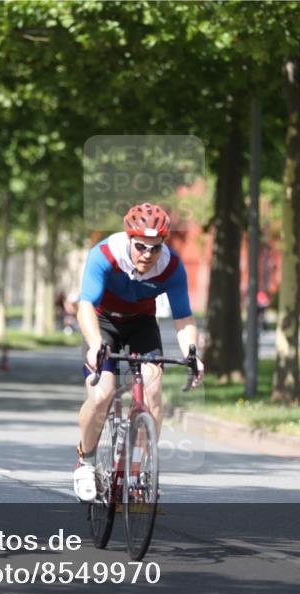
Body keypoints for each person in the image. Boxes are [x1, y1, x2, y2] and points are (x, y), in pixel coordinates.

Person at [73, 202, 204, 502]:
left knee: (153, 390)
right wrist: (95, 344)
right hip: (102, 323)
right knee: (101, 395)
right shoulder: (105, 254)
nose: (147, 254)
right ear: (129, 239)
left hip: (142, 324)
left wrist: (193, 354)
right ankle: (86, 461)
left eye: (155, 248)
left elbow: (183, 317)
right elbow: (85, 306)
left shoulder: (171, 267)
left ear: (163, 244)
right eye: (141, 246)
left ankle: (139, 469)